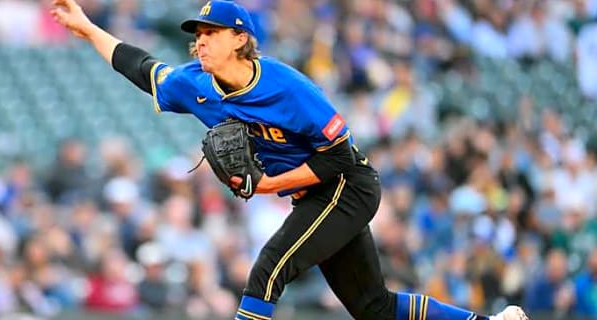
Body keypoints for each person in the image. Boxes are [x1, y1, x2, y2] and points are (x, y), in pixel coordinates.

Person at [50, 1, 530, 319]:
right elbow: (141, 66)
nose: (199, 40)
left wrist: (263, 187)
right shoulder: (194, 83)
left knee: (269, 267)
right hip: (312, 193)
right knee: (374, 308)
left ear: (240, 39)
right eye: (196, 33)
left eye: (210, 32)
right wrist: (88, 27)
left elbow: (339, 159)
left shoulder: (289, 88)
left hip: (348, 185)